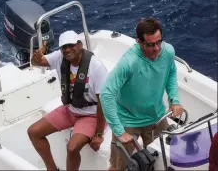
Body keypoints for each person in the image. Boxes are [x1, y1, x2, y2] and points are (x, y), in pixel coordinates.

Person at [99, 18, 184, 171]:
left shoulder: (168, 51)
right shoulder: (128, 62)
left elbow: (171, 72)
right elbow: (106, 94)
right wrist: (119, 131)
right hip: (128, 121)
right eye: (150, 45)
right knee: (118, 167)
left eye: (159, 42)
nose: (157, 48)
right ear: (139, 41)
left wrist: (174, 100)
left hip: (156, 116)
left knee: (162, 160)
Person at [27, 30, 108, 171]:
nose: (68, 50)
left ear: (80, 45)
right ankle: (52, 169)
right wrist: (36, 57)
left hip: (91, 114)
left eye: (71, 45)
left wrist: (99, 134)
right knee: (33, 132)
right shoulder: (60, 57)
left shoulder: (96, 67)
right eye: (64, 47)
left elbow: (104, 101)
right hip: (70, 110)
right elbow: (38, 62)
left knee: (72, 147)